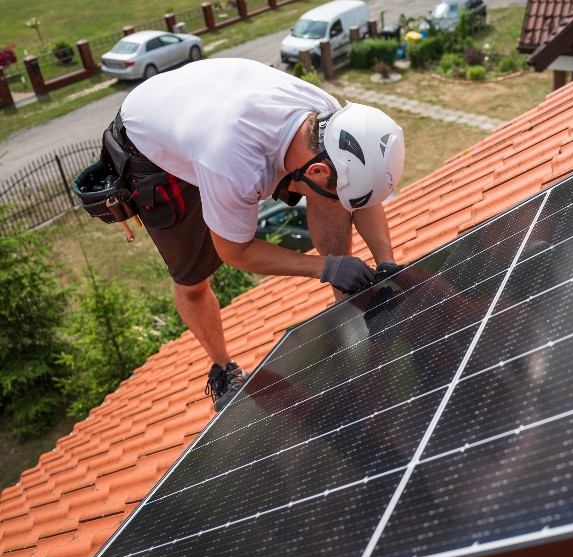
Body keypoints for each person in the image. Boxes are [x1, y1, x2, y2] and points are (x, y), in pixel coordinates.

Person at [105, 57, 405, 411]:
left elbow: (359, 197)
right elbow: (235, 251)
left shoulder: (326, 116)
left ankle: (347, 302)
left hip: (206, 109)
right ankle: (223, 368)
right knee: (193, 279)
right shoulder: (233, 165)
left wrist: (386, 263)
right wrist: (323, 266)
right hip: (149, 147)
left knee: (331, 196)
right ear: (319, 166)